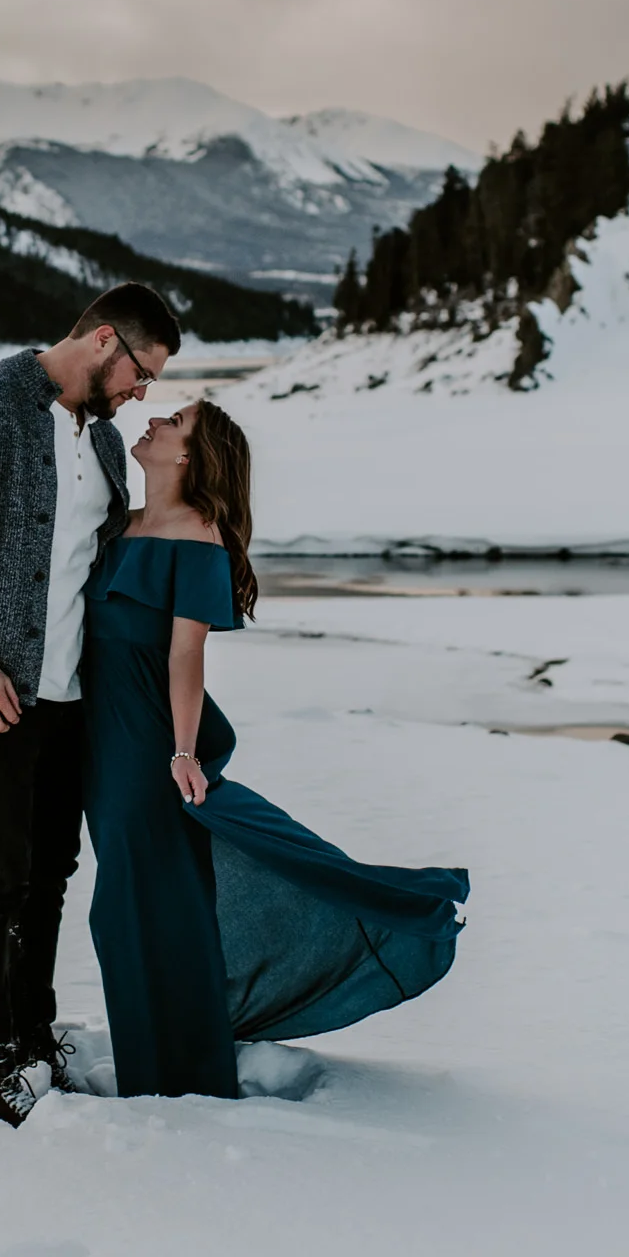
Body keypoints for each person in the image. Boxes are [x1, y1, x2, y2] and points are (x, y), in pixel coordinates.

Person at [82, 398, 468, 1098]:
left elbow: (185, 657)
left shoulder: (198, 534)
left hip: (143, 745)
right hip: (98, 739)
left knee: (139, 907)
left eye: (172, 422)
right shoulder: (120, 523)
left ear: (189, 457)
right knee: (131, 907)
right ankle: (161, 1065)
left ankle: (177, 1077)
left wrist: (180, 752)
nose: (154, 421)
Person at [0, 283, 181, 1124]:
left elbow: (97, 559)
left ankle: (32, 1033)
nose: (141, 393)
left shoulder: (108, 445)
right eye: (141, 372)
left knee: (50, 874)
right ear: (101, 342)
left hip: (71, 693)